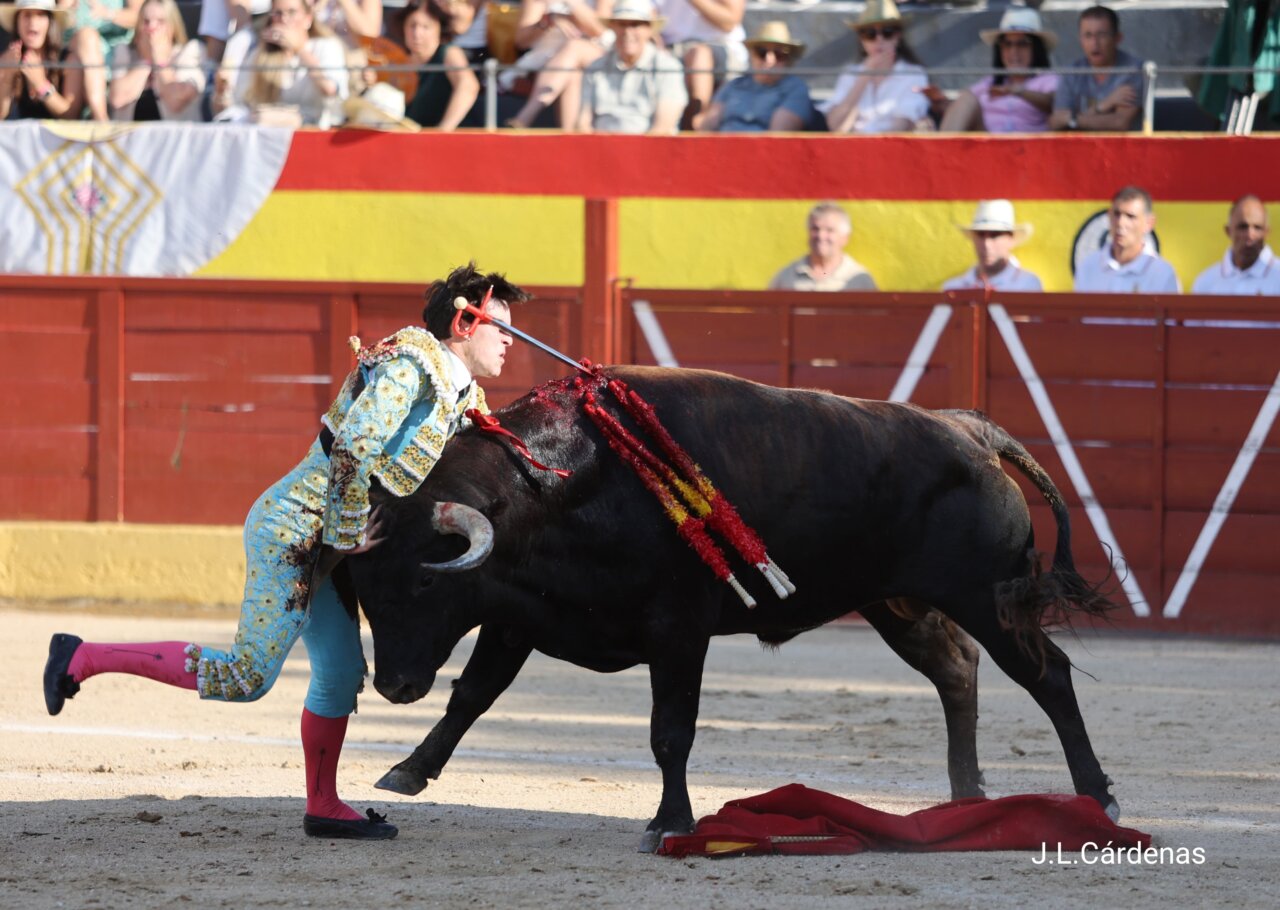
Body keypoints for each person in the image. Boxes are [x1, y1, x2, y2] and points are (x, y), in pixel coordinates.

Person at [43, 264, 528, 841]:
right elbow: (352, 446)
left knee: (342, 671)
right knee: (247, 676)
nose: (510, 342)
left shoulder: (459, 391)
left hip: (324, 547)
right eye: (501, 328)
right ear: (463, 323)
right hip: (294, 527)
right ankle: (82, 656)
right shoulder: (412, 366)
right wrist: (347, 530)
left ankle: (323, 806)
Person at [213, 0, 349, 127]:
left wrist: (300, 50)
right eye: (278, 13)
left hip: (314, 127)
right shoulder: (261, 54)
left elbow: (331, 90)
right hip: (268, 129)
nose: (284, 19)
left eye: (292, 12)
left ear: (308, 18)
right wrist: (221, 89)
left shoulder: (326, 46)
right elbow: (241, 102)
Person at [933, 6, 1059, 134]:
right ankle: (940, 153)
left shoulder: (1048, 80)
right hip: (988, 148)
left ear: (1036, 49)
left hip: (1030, 149)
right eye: (1007, 44)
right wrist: (942, 103)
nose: (1013, 52)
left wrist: (1019, 92)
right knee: (966, 98)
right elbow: (965, 107)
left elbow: (1057, 105)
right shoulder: (990, 82)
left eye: (1022, 44)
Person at [575, 0, 686, 135]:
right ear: (613, 27)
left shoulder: (668, 68)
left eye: (635, 24)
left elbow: (662, 128)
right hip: (600, 150)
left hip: (651, 152)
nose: (628, 32)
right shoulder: (595, 67)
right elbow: (583, 123)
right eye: (622, 24)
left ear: (649, 30)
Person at [503, 0, 615, 130]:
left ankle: (523, 118)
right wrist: (548, 21)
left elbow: (600, 32)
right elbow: (522, 42)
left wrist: (571, 5)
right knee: (573, 74)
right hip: (550, 61)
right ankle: (571, 139)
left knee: (574, 47)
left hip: (599, 55)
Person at [822, 0, 928, 135]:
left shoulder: (914, 73)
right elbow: (836, 127)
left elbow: (902, 125)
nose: (879, 39)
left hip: (893, 149)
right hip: (854, 149)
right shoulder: (849, 74)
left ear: (898, 36)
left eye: (887, 32)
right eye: (870, 33)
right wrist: (864, 76)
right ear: (861, 39)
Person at [696, 19, 814, 133]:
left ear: (788, 60)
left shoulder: (795, 89)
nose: (769, 60)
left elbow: (777, 139)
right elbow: (707, 128)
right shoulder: (733, 85)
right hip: (721, 149)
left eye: (779, 54)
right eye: (762, 52)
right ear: (752, 55)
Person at [653, 0, 746, 130]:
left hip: (719, 47)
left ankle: (698, 126)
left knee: (699, 57)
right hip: (667, 50)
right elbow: (647, 15)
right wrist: (653, 38)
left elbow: (729, 22)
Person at [1049, 5, 1144, 132]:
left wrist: (1072, 119)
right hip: (1080, 148)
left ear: (1117, 38)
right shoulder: (1072, 72)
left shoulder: (1133, 70)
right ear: (1080, 39)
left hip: (1123, 149)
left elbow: (1120, 123)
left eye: (1102, 35)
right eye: (1088, 35)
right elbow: (1056, 122)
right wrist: (1104, 105)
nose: (1095, 43)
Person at [108, 0, 206, 121]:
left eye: (160, 22)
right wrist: (147, 60)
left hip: (174, 137)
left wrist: (159, 60)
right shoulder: (125, 52)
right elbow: (118, 99)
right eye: (146, 22)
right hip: (130, 137)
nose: (151, 28)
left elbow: (175, 101)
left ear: (173, 26)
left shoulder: (191, 51)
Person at [1074, 186, 1181, 293]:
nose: (1120, 223)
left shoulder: (1162, 273)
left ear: (1149, 223)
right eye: (1116, 214)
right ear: (1109, 216)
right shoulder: (1088, 267)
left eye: (1130, 216)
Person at [395, 0, 479, 130]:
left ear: (440, 29)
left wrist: (442, 131)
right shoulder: (398, 60)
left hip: (447, 142)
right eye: (412, 26)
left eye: (426, 27)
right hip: (406, 138)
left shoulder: (449, 53)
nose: (417, 33)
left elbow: (468, 86)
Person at [59, 0, 145, 121]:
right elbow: (60, 17)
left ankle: (98, 119)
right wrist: (67, 10)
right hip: (77, 49)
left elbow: (140, 16)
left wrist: (108, 13)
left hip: (118, 55)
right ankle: (100, 119)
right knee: (85, 40)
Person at [768, 202, 877, 292]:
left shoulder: (860, 280)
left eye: (829, 230)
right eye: (816, 229)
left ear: (845, 238)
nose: (821, 236)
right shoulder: (786, 277)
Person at [942, 200, 1043, 292]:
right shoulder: (953, 288)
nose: (986, 244)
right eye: (981, 234)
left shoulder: (1027, 284)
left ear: (1011, 239)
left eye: (995, 235)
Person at [0, 0, 74, 120]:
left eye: (40, 15)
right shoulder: (5, 59)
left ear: (51, 22)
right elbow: (1, 115)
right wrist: (7, 77)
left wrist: (41, 84)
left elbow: (72, 116)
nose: (32, 22)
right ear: (17, 22)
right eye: (27, 15)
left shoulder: (69, 60)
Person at [1192, 195, 1280, 295]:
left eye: (1257, 228)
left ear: (1267, 232)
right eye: (1242, 227)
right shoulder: (1206, 282)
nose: (1250, 235)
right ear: (1228, 231)